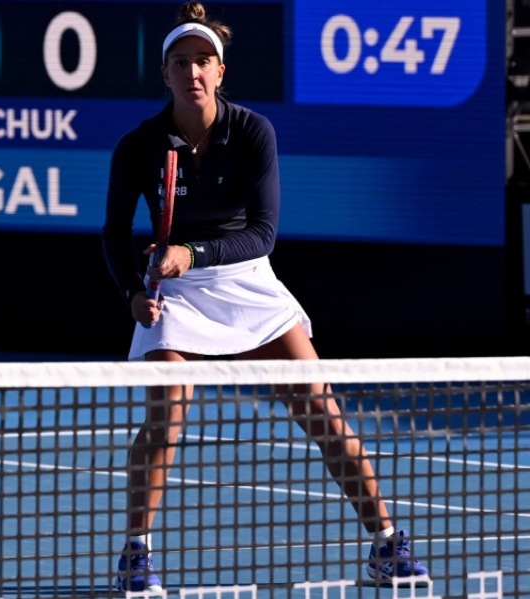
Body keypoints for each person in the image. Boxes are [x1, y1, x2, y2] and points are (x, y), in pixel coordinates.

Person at [101, 1, 430, 593]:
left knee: (321, 411)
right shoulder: (139, 145)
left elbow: (263, 233)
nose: (193, 73)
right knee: (167, 412)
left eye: (204, 62)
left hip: (246, 277)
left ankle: (386, 545)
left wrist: (191, 254)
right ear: (166, 73)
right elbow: (113, 234)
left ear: (221, 72)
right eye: (181, 63)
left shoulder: (253, 131)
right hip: (174, 291)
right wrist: (132, 292)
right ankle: (136, 554)